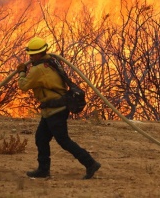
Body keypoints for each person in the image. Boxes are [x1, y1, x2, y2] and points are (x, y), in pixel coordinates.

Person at [16, 37, 101, 179]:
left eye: (32, 55)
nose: (30, 57)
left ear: (39, 54)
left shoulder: (38, 69)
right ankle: (43, 170)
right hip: (52, 109)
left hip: (55, 109)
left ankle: (90, 163)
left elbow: (23, 85)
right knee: (41, 138)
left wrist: (22, 72)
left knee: (63, 141)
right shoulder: (51, 62)